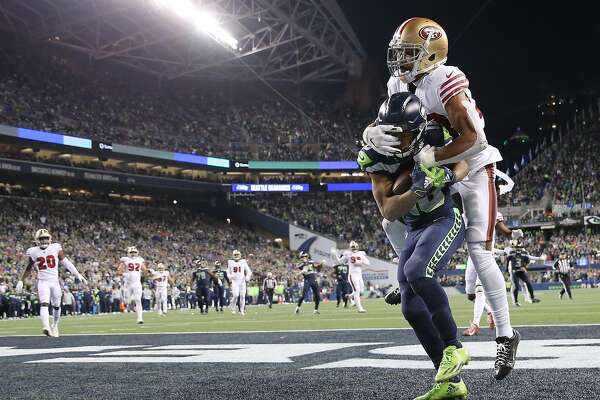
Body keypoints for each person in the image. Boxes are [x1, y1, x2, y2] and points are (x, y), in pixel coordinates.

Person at [363, 16, 520, 380]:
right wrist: (372, 129)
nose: (400, 61)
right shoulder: (398, 82)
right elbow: (392, 121)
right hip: (435, 162)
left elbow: (475, 140)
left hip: (474, 165)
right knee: (391, 217)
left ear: (432, 53)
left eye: (409, 53)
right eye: (398, 53)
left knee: (479, 250)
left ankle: (505, 335)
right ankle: (404, 276)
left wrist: (432, 158)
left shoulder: (445, 79)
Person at [358, 92, 470, 399]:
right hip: (415, 226)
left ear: (418, 129)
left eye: (405, 133)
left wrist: (445, 176)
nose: (400, 140)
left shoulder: (434, 135)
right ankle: (449, 383)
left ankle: (454, 348)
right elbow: (389, 210)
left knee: (418, 271)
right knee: (411, 307)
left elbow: (464, 164)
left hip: (445, 217)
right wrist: (417, 191)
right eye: (392, 133)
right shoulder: (375, 155)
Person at [463, 174, 524, 336]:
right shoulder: (471, 203)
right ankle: (490, 312)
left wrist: (513, 234)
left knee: (479, 291)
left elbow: (504, 230)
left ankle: (475, 324)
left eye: (496, 189)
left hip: (484, 256)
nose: (494, 192)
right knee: (470, 295)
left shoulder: (493, 211)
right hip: (471, 255)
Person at [17, 228, 87, 337]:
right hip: (43, 282)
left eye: (45, 238)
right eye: (41, 238)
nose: (44, 240)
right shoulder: (33, 251)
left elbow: (66, 262)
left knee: (56, 305)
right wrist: (21, 281)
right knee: (44, 304)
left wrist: (77, 273)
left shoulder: (55, 248)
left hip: (54, 282)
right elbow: (29, 268)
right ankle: (46, 327)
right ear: (36, 240)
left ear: (50, 239)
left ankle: (54, 325)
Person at [502, 240, 545, 306]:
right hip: (514, 271)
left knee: (528, 283)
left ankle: (532, 297)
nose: (518, 249)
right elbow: (507, 260)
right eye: (517, 247)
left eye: (519, 247)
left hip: (521, 271)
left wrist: (524, 266)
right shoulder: (511, 252)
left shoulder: (524, 253)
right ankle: (515, 301)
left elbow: (528, 260)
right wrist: (506, 270)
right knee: (515, 287)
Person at [332, 241, 369, 313]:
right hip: (352, 275)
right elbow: (340, 262)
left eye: (354, 247)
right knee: (357, 291)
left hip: (359, 275)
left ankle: (349, 296)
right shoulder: (347, 254)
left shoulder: (361, 253)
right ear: (350, 248)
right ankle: (359, 308)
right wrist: (335, 255)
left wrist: (360, 262)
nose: (354, 248)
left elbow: (368, 263)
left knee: (361, 291)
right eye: (352, 247)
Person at [116, 246, 147, 324]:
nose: (133, 254)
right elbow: (118, 272)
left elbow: (145, 271)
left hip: (137, 283)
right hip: (128, 284)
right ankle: (130, 305)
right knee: (127, 301)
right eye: (131, 252)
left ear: (137, 253)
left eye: (134, 252)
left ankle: (140, 318)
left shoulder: (140, 260)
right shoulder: (125, 260)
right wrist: (124, 274)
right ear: (128, 253)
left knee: (138, 300)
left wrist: (150, 272)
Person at [227, 250, 252, 316]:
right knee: (235, 295)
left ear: (240, 255)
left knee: (243, 296)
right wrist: (230, 276)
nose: (236, 256)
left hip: (242, 281)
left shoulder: (243, 262)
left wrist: (247, 276)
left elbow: (249, 271)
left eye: (237, 255)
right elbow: (228, 272)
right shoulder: (230, 262)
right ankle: (233, 308)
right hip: (235, 281)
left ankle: (241, 310)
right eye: (235, 255)